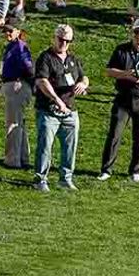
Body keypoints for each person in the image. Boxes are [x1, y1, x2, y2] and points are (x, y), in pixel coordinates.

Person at [98, 18, 139, 183]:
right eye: (136, 32)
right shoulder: (122, 50)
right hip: (123, 98)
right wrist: (125, 74)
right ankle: (106, 169)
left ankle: (135, 170)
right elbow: (109, 70)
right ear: (132, 33)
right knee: (114, 134)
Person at [32, 22, 88, 192]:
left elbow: (84, 77)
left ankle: (66, 178)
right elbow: (42, 81)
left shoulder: (73, 60)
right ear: (54, 38)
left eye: (68, 41)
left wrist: (83, 85)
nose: (64, 43)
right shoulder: (46, 58)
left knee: (70, 147)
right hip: (49, 110)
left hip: (70, 111)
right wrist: (57, 100)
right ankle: (40, 179)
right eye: (61, 39)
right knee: (45, 146)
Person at [0, 18, 32, 168]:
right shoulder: (12, 46)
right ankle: (23, 157)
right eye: (5, 30)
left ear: (18, 31)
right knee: (19, 123)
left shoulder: (19, 46)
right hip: (13, 85)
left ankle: (12, 160)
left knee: (13, 123)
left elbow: (28, 67)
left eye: (10, 30)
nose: (7, 33)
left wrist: (31, 82)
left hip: (17, 85)